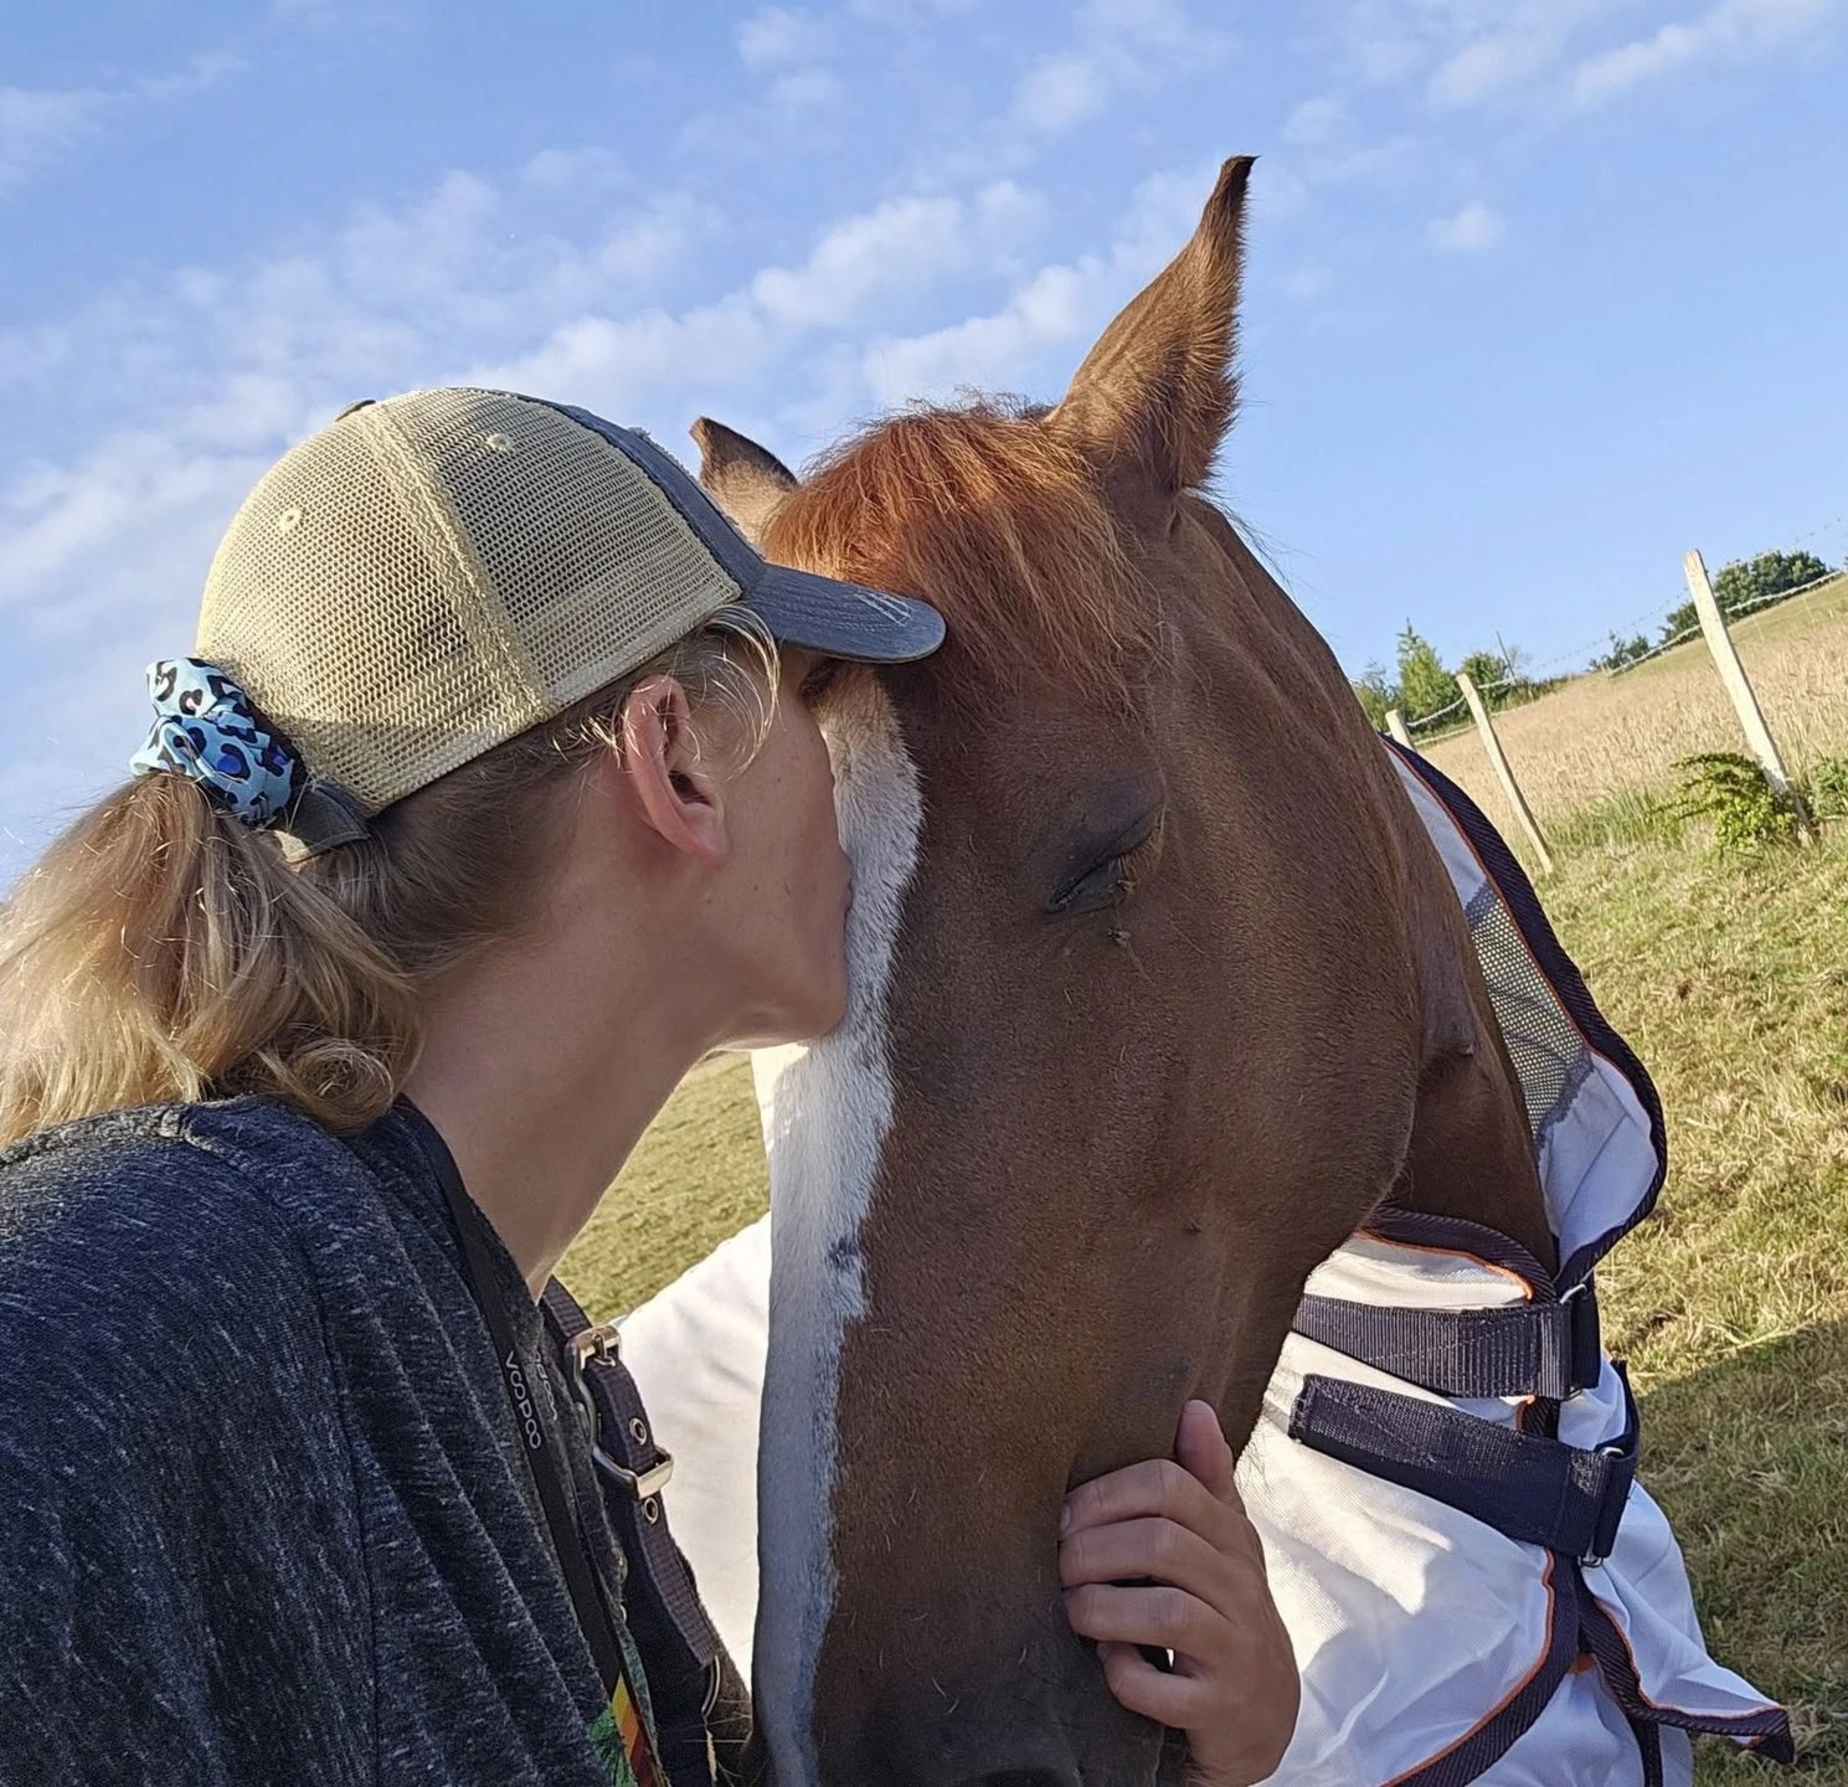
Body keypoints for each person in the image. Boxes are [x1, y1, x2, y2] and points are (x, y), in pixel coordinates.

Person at [0, 388, 1298, 1787]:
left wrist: (1225, 1752)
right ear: (678, 757)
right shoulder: (135, 1308)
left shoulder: (534, 1370)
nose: (857, 774)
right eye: (815, 698)